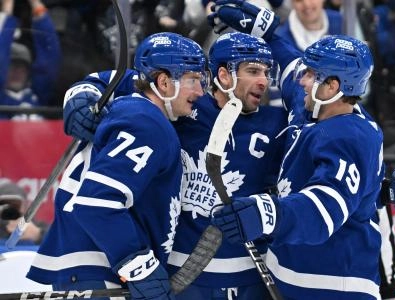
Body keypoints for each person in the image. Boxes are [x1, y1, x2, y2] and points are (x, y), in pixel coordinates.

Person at [207, 1, 395, 299]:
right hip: (289, 273)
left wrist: (268, 214)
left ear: (332, 86)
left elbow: (324, 209)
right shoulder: (311, 107)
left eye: (311, 74)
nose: (302, 80)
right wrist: (269, 35)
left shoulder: (352, 135)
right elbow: (292, 65)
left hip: (333, 284)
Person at [61, 31, 288, 300]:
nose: (263, 81)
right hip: (180, 273)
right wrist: (79, 97)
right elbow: (114, 81)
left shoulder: (278, 124)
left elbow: (323, 104)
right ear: (225, 75)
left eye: (266, 72)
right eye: (253, 70)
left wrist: (271, 32)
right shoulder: (183, 102)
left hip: (250, 272)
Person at [26, 32, 208, 300]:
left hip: (90, 264)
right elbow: (96, 203)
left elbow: (115, 79)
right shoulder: (147, 123)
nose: (200, 91)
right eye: (193, 80)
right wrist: (139, 266)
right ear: (164, 82)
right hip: (101, 268)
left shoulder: (131, 110)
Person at [0, 0, 61, 118]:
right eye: (11, 67)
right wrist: (7, 8)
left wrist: (36, 5)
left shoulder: (38, 95)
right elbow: (1, 53)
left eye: (21, 67)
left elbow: (49, 60)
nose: (16, 72)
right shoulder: (2, 98)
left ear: (28, 72)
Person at [0, 179, 47, 245]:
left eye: (15, 204)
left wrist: (38, 235)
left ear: (25, 206)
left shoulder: (37, 226)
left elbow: (60, 241)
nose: (10, 209)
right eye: (4, 204)